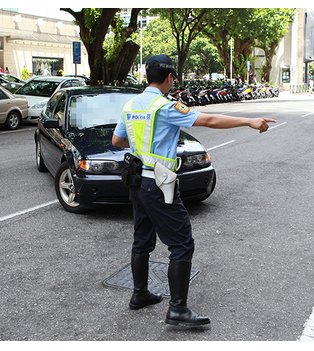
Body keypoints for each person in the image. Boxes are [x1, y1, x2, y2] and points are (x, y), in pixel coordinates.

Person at [112, 54, 276, 327]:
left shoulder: (130, 105)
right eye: (173, 77)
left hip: (137, 181)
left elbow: (118, 140)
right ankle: (178, 310)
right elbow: (209, 120)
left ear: (146, 76)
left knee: (142, 239)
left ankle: (139, 294)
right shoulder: (164, 107)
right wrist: (248, 121)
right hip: (159, 182)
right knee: (181, 243)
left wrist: (145, 142)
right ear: (168, 78)